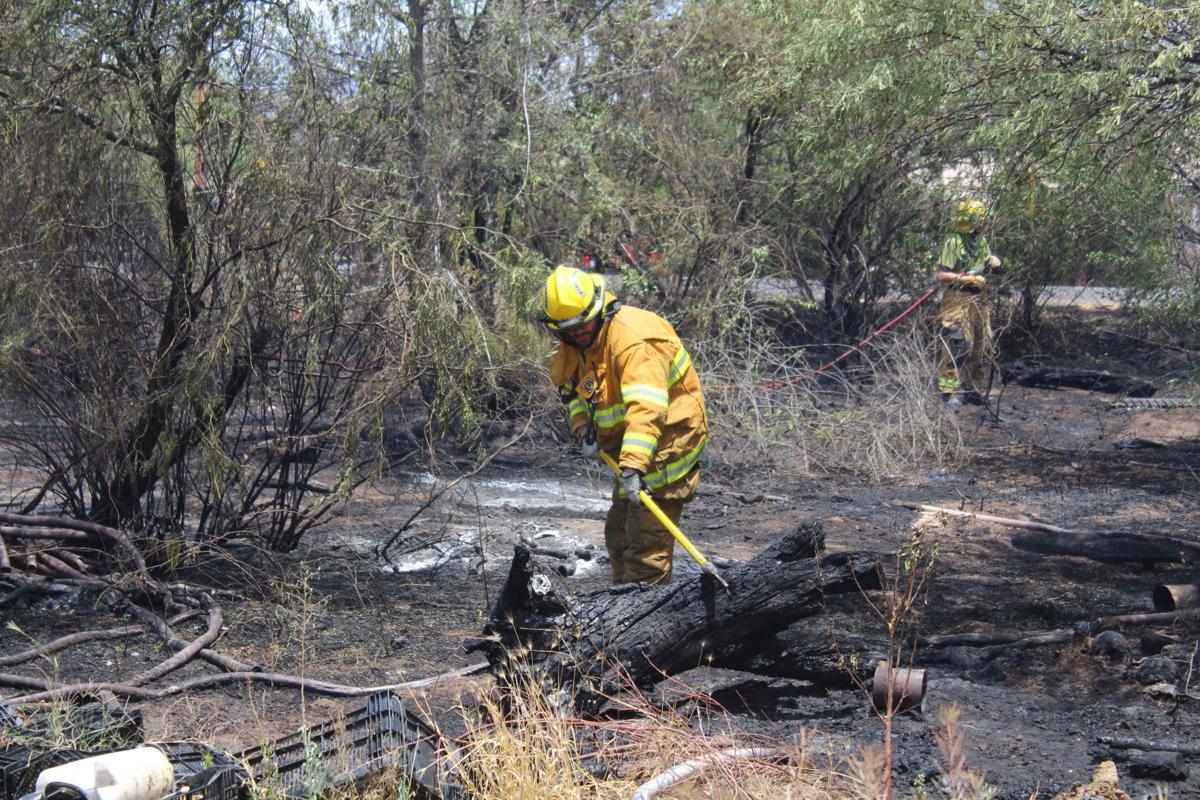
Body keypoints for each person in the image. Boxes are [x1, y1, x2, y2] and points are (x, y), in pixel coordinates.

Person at [541, 265, 708, 585]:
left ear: (599, 309)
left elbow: (647, 409)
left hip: (665, 450)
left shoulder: (634, 341)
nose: (577, 335)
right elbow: (572, 387)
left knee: (645, 553)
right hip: (632, 455)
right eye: (568, 330)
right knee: (618, 537)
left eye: (582, 326)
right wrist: (582, 426)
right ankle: (621, 608)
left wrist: (633, 466)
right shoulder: (580, 338)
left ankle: (645, 622)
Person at [935, 199, 1001, 408]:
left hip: (979, 300)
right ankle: (948, 391)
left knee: (981, 343)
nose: (984, 223)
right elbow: (941, 274)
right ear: (971, 221)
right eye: (981, 219)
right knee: (957, 344)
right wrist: (964, 279)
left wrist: (992, 262)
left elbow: (984, 266)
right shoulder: (953, 242)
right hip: (957, 299)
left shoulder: (980, 242)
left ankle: (973, 389)